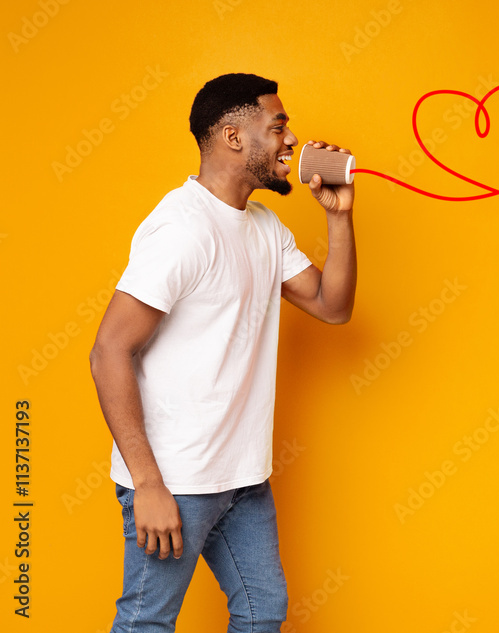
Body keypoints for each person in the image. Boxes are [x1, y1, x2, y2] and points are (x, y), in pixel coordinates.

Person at [89, 73, 358, 632]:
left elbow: (333, 306)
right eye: (278, 126)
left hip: (242, 477)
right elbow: (108, 351)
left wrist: (338, 216)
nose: (291, 141)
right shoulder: (182, 230)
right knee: (147, 623)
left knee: (262, 612)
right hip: (177, 478)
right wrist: (148, 485)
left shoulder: (263, 226)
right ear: (234, 137)